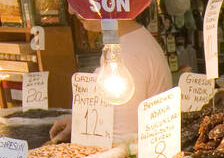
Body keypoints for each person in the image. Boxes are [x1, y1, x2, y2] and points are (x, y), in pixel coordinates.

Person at [50, 10, 172, 144]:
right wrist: (80, 122)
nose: (71, 10)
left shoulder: (128, 53)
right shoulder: (129, 41)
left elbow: (123, 139)